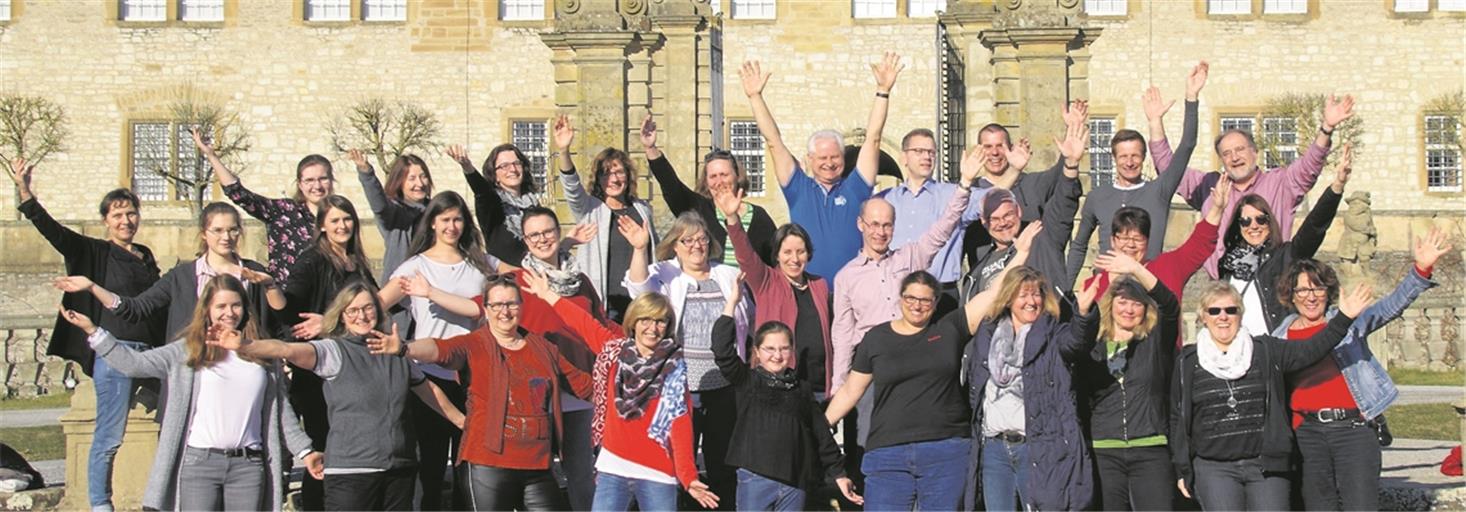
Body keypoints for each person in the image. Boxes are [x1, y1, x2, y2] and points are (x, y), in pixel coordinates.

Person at [58, 275, 316, 512]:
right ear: (207, 310)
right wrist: (94, 332)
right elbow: (133, 364)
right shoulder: (186, 351)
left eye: (235, 305)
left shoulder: (260, 354)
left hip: (248, 465)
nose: (229, 313)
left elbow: (281, 411)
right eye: (221, 307)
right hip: (199, 463)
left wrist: (306, 452)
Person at [214, 281, 467, 511]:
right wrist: (246, 346)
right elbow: (286, 348)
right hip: (351, 472)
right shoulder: (333, 352)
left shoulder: (395, 351)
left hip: (399, 469)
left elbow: (429, 391)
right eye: (353, 311)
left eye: (368, 308)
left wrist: (463, 423)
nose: (362, 316)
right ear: (342, 317)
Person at [10, 156, 165, 512]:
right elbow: (55, 233)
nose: (126, 221)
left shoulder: (145, 255)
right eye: (118, 215)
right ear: (106, 221)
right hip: (114, 351)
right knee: (109, 436)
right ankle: (100, 504)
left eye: (131, 213)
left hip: (149, 353)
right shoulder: (96, 251)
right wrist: (25, 192)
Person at [823, 249, 1030, 512]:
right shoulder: (876, 338)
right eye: (910, 298)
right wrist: (822, 425)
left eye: (925, 300)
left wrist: (1022, 250)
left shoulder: (950, 328)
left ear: (935, 302)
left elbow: (992, 293)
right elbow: (851, 390)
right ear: (900, 299)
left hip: (946, 451)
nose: (917, 305)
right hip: (888, 453)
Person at [366, 276, 595, 511]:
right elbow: (440, 350)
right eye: (497, 305)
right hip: (488, 464)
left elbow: (585, 387)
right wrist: (405, 348)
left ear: (521, 306)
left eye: (511, 304)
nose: (504, 312)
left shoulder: (544, 348)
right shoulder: (474, 344)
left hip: (537, 465)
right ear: (486, 309)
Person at [1269, 229, 1450, 510]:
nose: (1310, 296)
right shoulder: (1281, 336)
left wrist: (1421, 269)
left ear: (1328, 292)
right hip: (1307, 434)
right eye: (1302, 290)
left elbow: (1390, 307)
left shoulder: (1346, 322)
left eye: (1317, 288)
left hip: (1352, 430)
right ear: (1291, 295)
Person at [1171, 282, 1371, 510]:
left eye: (1231, 310)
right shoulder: (1187, 362)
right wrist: (1181, 468)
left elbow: (1311, 349)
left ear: (1240, 314)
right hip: (1214, 468)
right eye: (1214, 311)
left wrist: (1343, 318)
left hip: (1264, 465)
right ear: (1203, 317)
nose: (1223, 317)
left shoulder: (1266, 350)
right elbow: (1177, 417)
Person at [535, 278, 721, 511]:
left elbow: (680, 424)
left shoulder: (674, 368)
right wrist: (548, 295)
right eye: (645, 320)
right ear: (633, 321)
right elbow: (583, 323)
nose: (652, 328)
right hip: (613, 468)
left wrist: (688, 476)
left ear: (668, 326)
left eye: (660, 321)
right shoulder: (615, 352)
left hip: (658, 473)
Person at [376, 191, 503, 511]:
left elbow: (521, 278)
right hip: (428, 375)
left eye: (458, 218)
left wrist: (563, 248)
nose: (452, 226)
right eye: (445, 219)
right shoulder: (414, 267)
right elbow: (375, 305)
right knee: (431, 463)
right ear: (432, 222)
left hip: (473, 374)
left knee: (470, 463)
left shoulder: (481, 262)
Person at [739, 52, 900, 282]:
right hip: (807, 289)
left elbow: (873, 137)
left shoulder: (856, 187)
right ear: (809, 160)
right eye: (822, 158)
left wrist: (883, 91)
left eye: (835, 157)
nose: (829, 163)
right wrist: (755, 97)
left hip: (853, 288)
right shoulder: (797, 188)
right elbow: (773, 141)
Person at [1154, 93, 1355, 278]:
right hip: (1225, 291)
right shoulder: (1209, 186)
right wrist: (1155, 121)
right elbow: (1170, 170)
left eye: (1240, 149)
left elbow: (1308, 166)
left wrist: (1326, 129)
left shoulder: (1280, 183)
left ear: (1255, 153)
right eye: (1226, 153)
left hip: (1272, 284)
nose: (1234, 158)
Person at [623, 211, 749, 503]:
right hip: (681, 388)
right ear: (675, 246)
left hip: (724, 387)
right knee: (680, 462)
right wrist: (640, 248)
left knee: (723, 465)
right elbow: (639, 290)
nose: (696, 245)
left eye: (702, 238)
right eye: (687, 240)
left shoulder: (727, 275)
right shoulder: (666, 274)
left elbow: (747, 322)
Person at [963, 252, 1101, 511]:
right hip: (994, 449)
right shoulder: (989, 334)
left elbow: (1078, 342)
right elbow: (977, 385)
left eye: (1036, 294)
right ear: (1008, 299)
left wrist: (1083, 313)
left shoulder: (1053, 335)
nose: (1031, 301)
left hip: (1037, 450)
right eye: (1023, 294)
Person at [709, 276, 860, 511]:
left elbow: (821, 434)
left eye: (783, 348)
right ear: (757, 352)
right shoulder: (748, 380)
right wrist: (733, 302)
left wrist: (839, 474)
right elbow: (722, 350)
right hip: (755, 478)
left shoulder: (801, 388)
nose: (777, 355)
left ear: (792, 351)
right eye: (769, 349)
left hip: (794, 481)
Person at [55, 202, 285, 345]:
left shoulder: (254, 272)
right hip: (194, 371)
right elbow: (136, 308)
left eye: (233, 230)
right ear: (204, 234)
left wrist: (270, 286)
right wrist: (92, 287)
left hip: (244, 366)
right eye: (217, 230)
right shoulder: (182, 276)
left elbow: (280, 319)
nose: (226, 237)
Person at [1067, 62, 1207, 286]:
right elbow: (1079, 244)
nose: (1129, 162)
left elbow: (1187, 145)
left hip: (1147, 284)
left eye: (1135, 156)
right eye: (1123, 156)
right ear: (1114, 158)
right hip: (1106, 286)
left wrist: (1191, 98)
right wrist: (1065, 289)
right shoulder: (1097, 196)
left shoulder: (1158, 191)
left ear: (1143, 158)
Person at [278, 194, 378, 507]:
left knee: (349, 447)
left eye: (347, 218)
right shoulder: (312, 261)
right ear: (322, 225)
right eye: (334, 220)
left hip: (356, 367)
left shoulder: (356, 261)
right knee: (324, 447)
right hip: (322, 372)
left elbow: (371, 306)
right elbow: (289, 309)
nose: (342, 225)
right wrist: (325, 324)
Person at [507, 205, 607, 511]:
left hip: (579, 390)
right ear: (524, 240)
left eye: (548, 232)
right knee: (536, 473)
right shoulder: (515, 281)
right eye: (533, 234)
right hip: (536, 392)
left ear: (558, 233)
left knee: (581, 473)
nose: (541, 239)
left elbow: (599, 328)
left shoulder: (581, 281)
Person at [1073, 252, 1180, 511]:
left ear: (1145, 309)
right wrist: (1082, 312)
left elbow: (1170, 306)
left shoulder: (1154, 342)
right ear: (1110, 304)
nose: (1129, 309)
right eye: (1123, 302)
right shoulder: (1094, 347)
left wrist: (1135, 268)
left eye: (1137, 303)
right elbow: (1071, 346)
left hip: (1150, 448)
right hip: (1104, 451)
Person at [1080, 174, 1233, 346]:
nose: (1130, 245)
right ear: (1112, 241)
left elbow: (1200, 243)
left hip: (1163, 366)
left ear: (1147, 241)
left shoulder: (1168, 268)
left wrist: (1217, 208)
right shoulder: (1092, 286)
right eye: (1123, 238)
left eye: (1137, 239)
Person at [1219, 145, 1351, 335]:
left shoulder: (1285, 256)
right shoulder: (1227, 264)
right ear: (1238, 226)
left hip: (1275, 349)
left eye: (1260, 219)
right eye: (1246, 221)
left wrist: (1337, 186)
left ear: (1269, 222)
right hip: (1238, 352)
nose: (1253, 226)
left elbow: (1314, 227)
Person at [959, 106, 1088, 300]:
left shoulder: (1032, 184)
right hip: (991, 287)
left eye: (1000, 146)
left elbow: (1064, 184)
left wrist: (1072, 133)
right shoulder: (969, 194)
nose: (994, 153)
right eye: (988, 147)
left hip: (1037, 283)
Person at [715, 187, 832, 395]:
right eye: (787, 252)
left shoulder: (820, 285)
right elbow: (746, 256)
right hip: (780, 385)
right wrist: (732, 219)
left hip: (819, 386)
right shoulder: (767, 281)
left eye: (800, 252)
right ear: (777, 255)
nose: (794, 259)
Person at [553, 114, 659, 322]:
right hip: (604, 302)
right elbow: (572, 187)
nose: (613, 179)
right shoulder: (589, 209)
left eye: (619, 172)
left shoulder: (642, 209)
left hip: (640, 302)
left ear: (628, 176)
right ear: (598, 179)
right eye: (606, 174)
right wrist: (564, 151)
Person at [196, 127, 333, 285]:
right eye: (309, 180)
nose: (317, 186)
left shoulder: (339, 217)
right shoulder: (284, 211)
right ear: (300, 185)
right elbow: (239, 194)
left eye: (323, 179)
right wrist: (211, 156)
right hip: (285, 300)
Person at [640, 113, 776, 269]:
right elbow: (671, 185)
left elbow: (775, 260)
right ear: (706, 181)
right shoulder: (699, 209)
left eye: (724, 175)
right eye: (713, 176)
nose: (719, 182)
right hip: (708, 291)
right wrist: (651, 149)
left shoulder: (759, 216)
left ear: (737, 176)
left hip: (749, 292)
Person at [877, 128, 988, 312]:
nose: (927, 157)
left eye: (931, 152)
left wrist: (1012, 171)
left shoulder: (955, 194)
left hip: (941, 294)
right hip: (895, 294)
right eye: (919, 151)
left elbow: (996, 198)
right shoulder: (885, 199)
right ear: (903, 157)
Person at [450, 143, 543, 264]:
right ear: (495, 175)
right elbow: (482, 191)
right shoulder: (492, 204)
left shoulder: (534, 204)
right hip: (507, 278)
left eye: (517, 163)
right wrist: (467, 166)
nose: (513, 169)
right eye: (504, 166)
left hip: (539, 276)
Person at [351, 149, 433, 284]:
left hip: (432, 287)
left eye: (423, 176)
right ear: (399, 182)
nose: (420, 183)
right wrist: (367, 174)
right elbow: (379, 205)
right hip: (400, 291)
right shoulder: (395, 212)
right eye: (412, 178)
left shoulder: (437, 210)